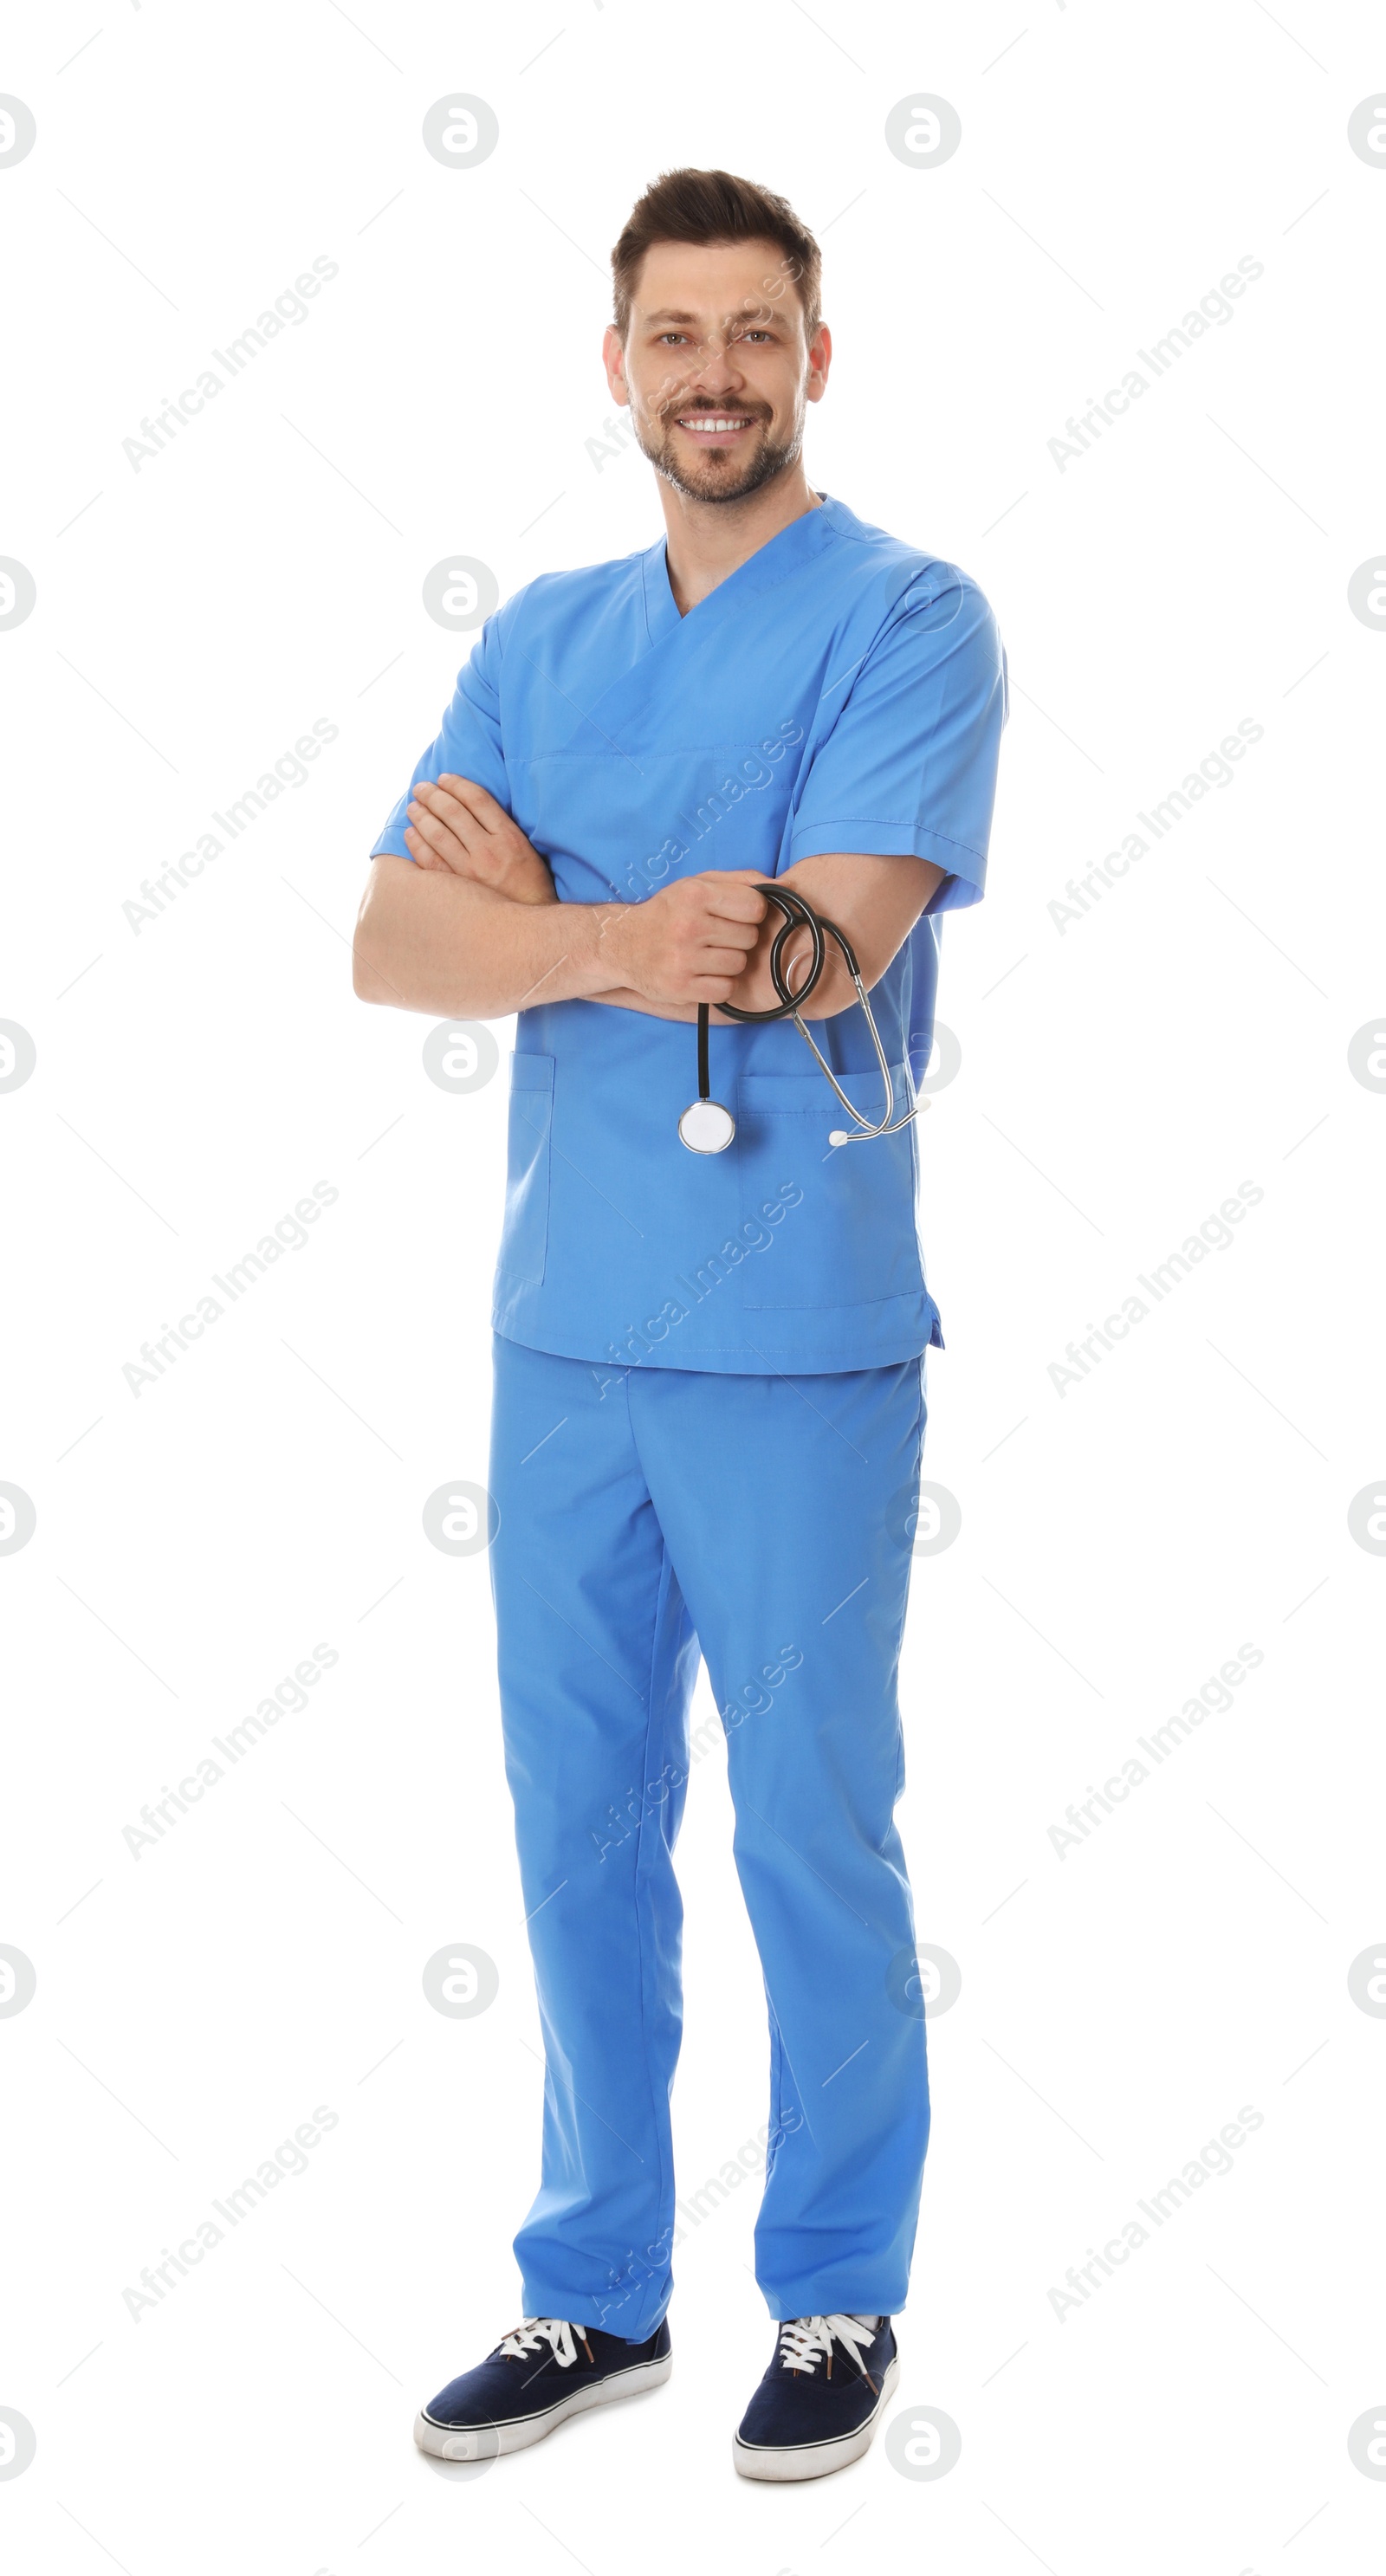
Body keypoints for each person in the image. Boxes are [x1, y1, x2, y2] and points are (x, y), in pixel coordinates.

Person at [353, 165, 1007, 2483]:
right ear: (614, 364)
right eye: (672, 335)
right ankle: (590, 2292)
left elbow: (823, 939)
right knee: (576, 1825)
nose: (713, 375)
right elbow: (389, 948)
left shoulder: (912, 624)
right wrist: (630, 938)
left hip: (801, 1338)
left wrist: (548, 912)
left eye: (756, 333)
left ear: (814, 361)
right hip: (567, 1334)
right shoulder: (537, 636)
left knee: (812, 1825)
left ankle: (834, 2292)